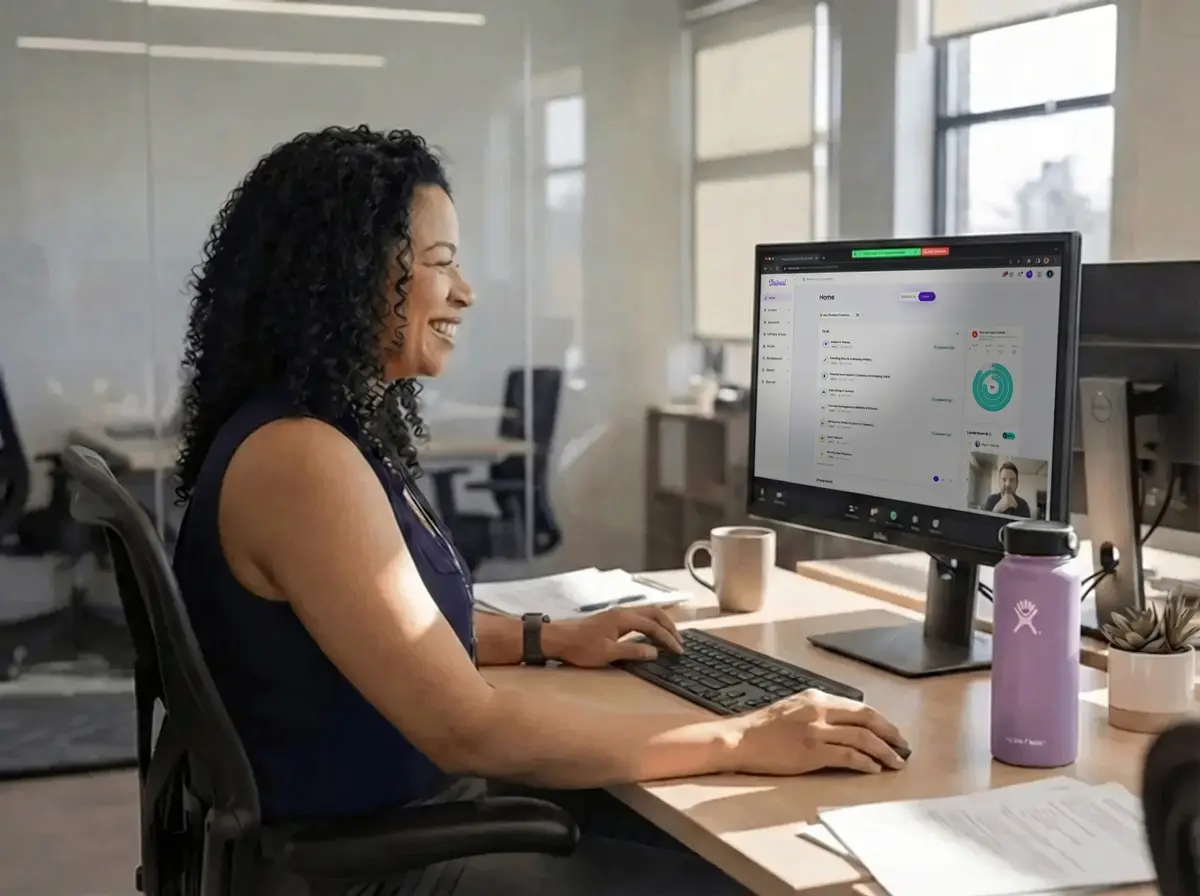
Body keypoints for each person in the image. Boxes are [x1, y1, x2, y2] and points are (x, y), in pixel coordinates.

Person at [172, 126, 909, 896]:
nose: (465, 291)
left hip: (391, 822)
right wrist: (741, 733)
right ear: (347, 274)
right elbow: (469, 729)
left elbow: (391, 635)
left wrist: (545, 636)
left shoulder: (312, 433)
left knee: (698, 823)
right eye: (440, 264)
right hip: (371, 865)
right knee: (761, 869)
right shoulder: (301, 460)